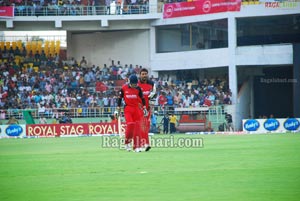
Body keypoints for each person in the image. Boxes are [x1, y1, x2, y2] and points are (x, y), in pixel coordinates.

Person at [117, 74, 147, 152]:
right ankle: (127, 142)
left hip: (136, 109)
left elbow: (143, 99)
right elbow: (119, 99)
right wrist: (117, 109)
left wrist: (144, 108)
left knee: (137, 127)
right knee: (130, 124)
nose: (135, 85)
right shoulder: (124, 88)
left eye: (136, 84)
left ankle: (137, 146)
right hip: (128, 109)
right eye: (133, 84)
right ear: (129, 82)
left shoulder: (138, 89)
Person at [138, 68, 156, 151]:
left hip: (148, 108)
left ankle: (141, 143)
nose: (144, 75)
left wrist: (151, 107)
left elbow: (154, 96)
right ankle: (145, 143)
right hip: (139, 108)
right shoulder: (137, 84)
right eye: (143, 74)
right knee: (143, 125)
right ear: (140, 75)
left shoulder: (151, 84)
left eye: (145, 74)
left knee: (146, 126)